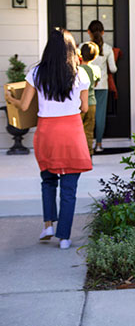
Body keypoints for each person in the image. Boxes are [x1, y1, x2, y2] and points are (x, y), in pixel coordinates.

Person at [4, 29, 92, 249]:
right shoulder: (81, 74)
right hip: (71, 131)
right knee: (69, 187)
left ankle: (48, 225)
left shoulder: (36, 73)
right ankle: (64, 237)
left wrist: (10, 99)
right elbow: (85, 108)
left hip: (47, 132)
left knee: (48, 179)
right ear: (71, 49)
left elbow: (24, 106)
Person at [87, 20, 117, 153]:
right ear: (103, 32)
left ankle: (85, 145)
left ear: (89, 32)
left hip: (86, 86)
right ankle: (98, 144)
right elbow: (113, 68)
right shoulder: (108, 49)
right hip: (102, 85)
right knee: (99, 115)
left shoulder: (83, 46)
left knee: (86, 116)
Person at [79, 42, 101, 157]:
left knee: (77, 131)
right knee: (88, 131)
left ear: (80, 54)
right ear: (95, 56)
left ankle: (78, 154)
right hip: (92, 103)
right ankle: (89, 154)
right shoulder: (96, 69)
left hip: (79, 103)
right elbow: (96, 84)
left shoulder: (77, 69)